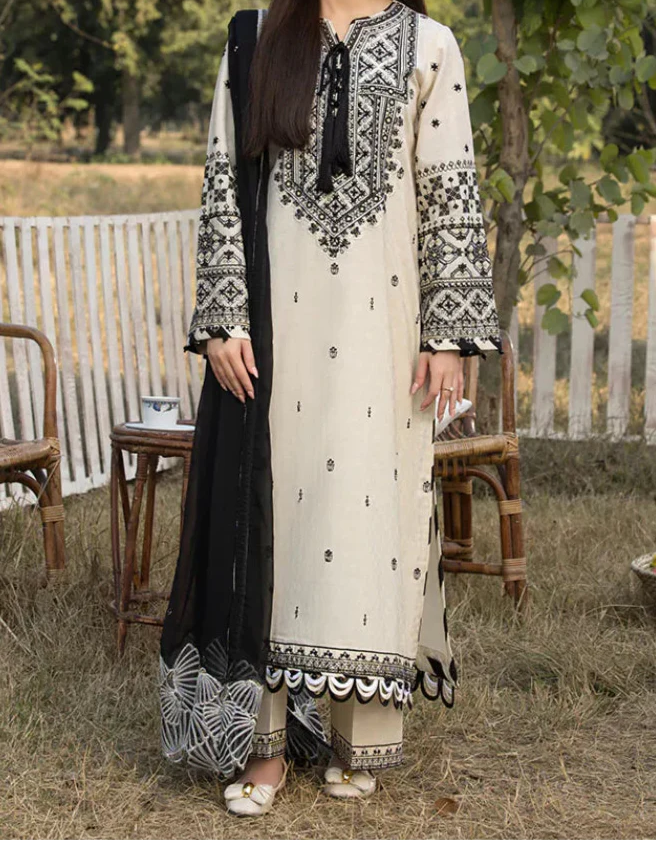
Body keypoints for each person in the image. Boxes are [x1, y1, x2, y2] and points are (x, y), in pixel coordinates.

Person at [159, 0, 503, 817]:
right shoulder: (257, 37)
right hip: (279, 333)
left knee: (370, 520)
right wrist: (223, 318)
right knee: (276, 517)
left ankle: (360, 736)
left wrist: (448, 336)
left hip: (387, 335)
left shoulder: (430, 46)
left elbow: (450, 194)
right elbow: (221, 181)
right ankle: (265, 744)